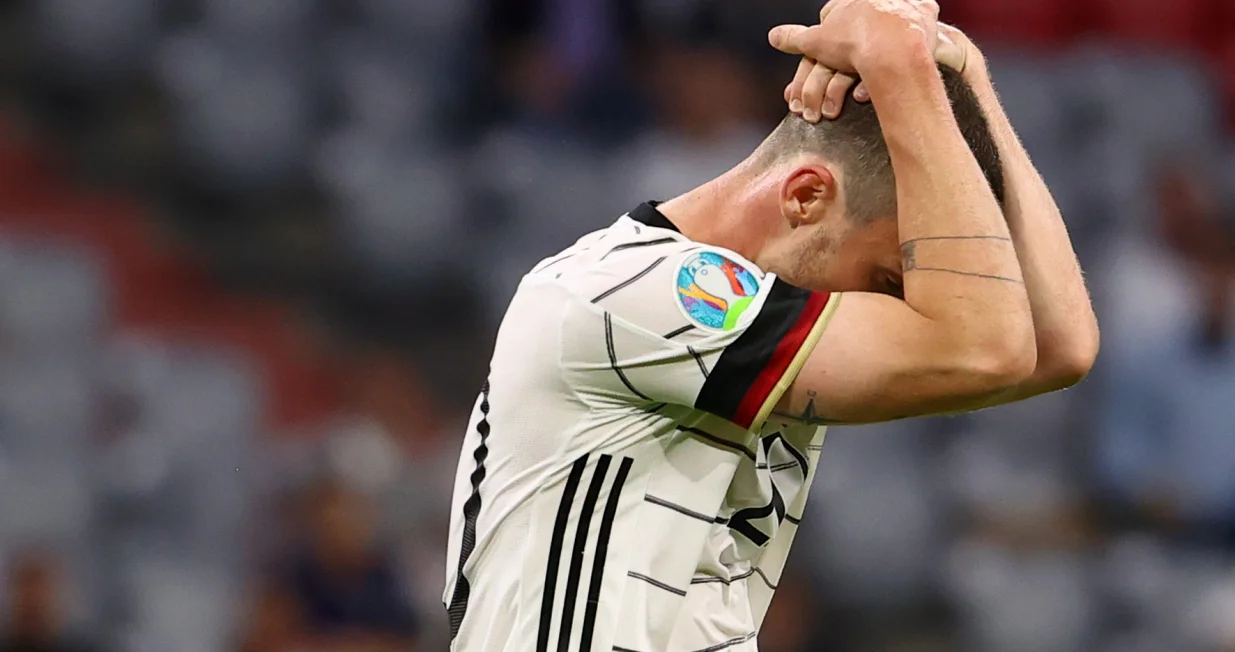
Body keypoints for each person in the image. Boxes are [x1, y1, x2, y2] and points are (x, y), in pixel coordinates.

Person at [443, 2, 1099, 651]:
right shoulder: (632, 291)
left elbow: (1053, 345)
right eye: (884, 280)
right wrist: (896, 66)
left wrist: (965, 75)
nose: (893, 313)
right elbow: (987, 348)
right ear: (805, 196)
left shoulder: (759, 317)